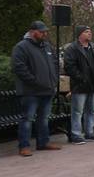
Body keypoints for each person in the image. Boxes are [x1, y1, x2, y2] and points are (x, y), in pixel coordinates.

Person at [11, 20, 60, 156]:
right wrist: (34, 81)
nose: (44, 33)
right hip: (30, 91)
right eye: (41, 31)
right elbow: (19, 68)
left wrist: (54, 79)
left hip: (47, 89)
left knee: (44, 118)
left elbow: (55, 63)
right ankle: (24, 146)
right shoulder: (21, 47)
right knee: (27, 118)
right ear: (32, 32)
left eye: (45, 31)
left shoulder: (47, 46)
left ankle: (43, 142)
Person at [64, 25, 94, 144]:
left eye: (90, 31)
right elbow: (69, 67)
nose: (89, 33)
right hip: (79, 85)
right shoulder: (72, 48)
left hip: (92, 85)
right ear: (80, 34)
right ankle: (76, 134)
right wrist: (81, 78)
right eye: (86, 32)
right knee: (77, 111)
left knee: (90, 110)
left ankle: (89, 132)